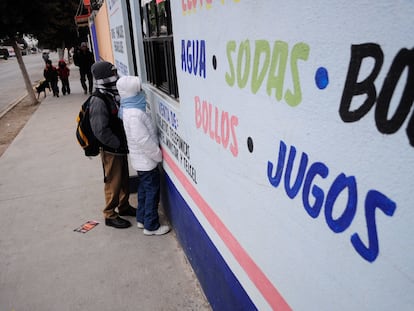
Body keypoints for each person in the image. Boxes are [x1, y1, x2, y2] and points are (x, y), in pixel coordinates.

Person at [116, 75, 170, 236]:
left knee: (144, 190)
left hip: (141, 161)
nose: (142, 93)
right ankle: (151, 226)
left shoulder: (127, 109)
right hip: (146, 161)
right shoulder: (134, 114)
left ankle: (142, 219)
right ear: (132, 93)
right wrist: (158, 155)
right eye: (139, 90)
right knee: (152, 192)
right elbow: (143, 140)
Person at [89, 61, 136, 229]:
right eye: (112, 73)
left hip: (120, 147)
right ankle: (109, 214)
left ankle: (124, 207)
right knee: (113, 181)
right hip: (111, 149)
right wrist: (116, 144)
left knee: (123, 179)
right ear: (104, 78)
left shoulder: (111, 93)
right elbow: (100, 130)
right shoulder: (99, 100)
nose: (116, 76)